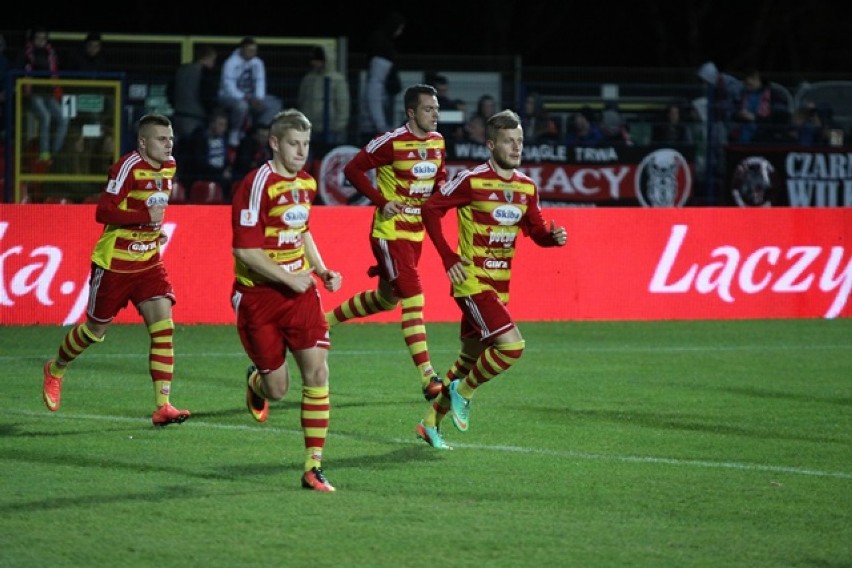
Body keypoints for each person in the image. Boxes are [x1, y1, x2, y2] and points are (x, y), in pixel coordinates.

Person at [414, 109, 567, 449]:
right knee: (512, 347)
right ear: (490, 144)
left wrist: (551, 237)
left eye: (520, 142)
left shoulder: (527, 188)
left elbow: (536, 230)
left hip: (499, 287)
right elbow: (430, 209)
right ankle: (462, 392)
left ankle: (429, 423)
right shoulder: (472, 180)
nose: (516, 148)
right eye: (509, 141)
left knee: (469, 359)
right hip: (472, 282)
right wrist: (448, 256)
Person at [41, 113, 191, 427]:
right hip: (115, 264)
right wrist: (144, 215)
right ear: (143, 141)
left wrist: (154, 229)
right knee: (94, 331)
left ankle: (163, 405)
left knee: (163, 328)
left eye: (171, 138)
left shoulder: (170, 166)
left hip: (149, 261)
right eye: (162, 139)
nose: (168, 144)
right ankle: (55, 367)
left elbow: (155, 209)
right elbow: (103, 211)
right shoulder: (127, 167)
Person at [231, 109, 343, 492]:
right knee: (277, 389)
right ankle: (257, 382)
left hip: (300, 294)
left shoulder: (308, 184)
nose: (301, 152)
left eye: (306, 145)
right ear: (275, 143)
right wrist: (288, 278)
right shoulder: (256, 184)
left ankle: (313, 466)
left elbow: (303, 229)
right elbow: (245, 251)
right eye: (294, 144)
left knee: (318, 373)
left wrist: (320, 269)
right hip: (258, 296)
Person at [327, 84, 446, 401]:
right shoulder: (391, 142)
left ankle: (322, 324)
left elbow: (440, 176)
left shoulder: (437, 143)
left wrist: (441, 197)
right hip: (390, 234)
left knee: (385, 300)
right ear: (411, 112)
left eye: (436, 108)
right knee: (414, 296)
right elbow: (353, 169)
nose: (435, 114)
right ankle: (428, 376)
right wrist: (380, 201)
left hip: (415, 234)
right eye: (428, 109)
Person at [16, 26, 69, 162]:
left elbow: (56, 72)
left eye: (43, 38)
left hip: (48, 93)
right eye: (38, 38)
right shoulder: (26, 53)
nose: (41, 41)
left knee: (64, 118)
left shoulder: (51, 53)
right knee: (45, 116)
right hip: (33, 94)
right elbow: (18, 70)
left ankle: (56, 153)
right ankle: (44, 152)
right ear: (33, 39)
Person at [218, 36, 282, 148]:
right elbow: (228, 86)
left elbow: (260, 82)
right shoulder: (230, 63)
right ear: (242, 49)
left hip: (252, 98)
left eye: (254, 50)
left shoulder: (258, 63)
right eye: (250, 50)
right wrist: (246, 98)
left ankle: (259, 129)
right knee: (241, 106)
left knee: (275, 104)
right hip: (230, 97)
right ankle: (235, 131)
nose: (253, 53)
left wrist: (258, 98)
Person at [358, 11, 406, 144]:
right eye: (400, 28)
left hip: (378, 126)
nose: (400, 32)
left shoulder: (377, 74)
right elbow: (375, 97)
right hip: (375, 130)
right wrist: (382, 127)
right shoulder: (379, 71)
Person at [297, 45, 351, 148]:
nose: (314, 63)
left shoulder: (337, 79)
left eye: (317, 60)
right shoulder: (308, 79)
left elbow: (343, 105)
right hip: (309, 129)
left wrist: (338, 126)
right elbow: (302, 101)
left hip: (331, 130)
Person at [178, 108, 233, 201]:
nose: (223, 128)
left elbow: (225, 159)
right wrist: (220, 172)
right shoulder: (200, 138)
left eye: (225, 125)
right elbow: (199, 163)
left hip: (219, 174)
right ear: (212, 124)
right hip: (203, 174)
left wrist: (227, 168)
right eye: (220, 124)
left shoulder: (223, 139)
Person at [170, 44, 219, 141]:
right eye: (213, 60)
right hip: (195, 120)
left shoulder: (181, 70)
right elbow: (207, 96)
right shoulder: (205, 72)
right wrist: (211, 114)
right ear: (207, 57)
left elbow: (170, 91)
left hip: (177, 117)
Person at [231, 122, 271, 186]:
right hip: (245, 178)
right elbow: (245, 165)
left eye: (266, 137)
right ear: (255, 136)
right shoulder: (246, 145)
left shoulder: (269, 147)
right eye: (262, 136)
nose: (264, 139)